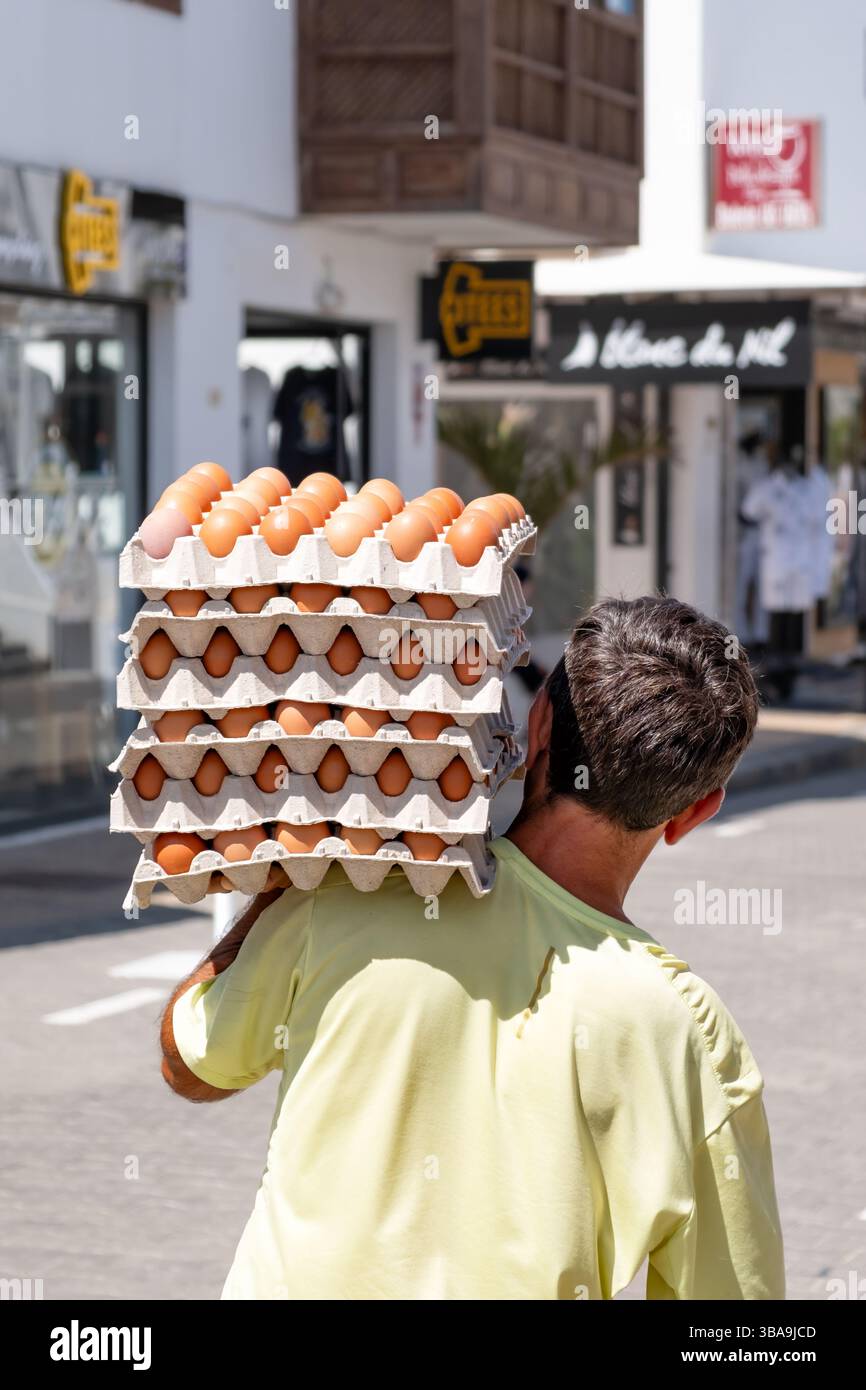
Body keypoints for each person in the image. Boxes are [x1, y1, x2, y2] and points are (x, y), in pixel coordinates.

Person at [160, 595, 785, 1301]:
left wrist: (288, 874)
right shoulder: (689, 1039)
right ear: (694, 812)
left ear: (538, 724)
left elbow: (192, 1062)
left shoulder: (351, 898)